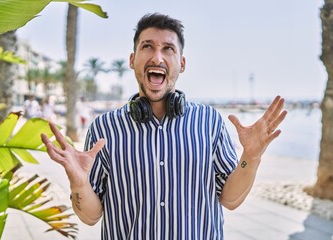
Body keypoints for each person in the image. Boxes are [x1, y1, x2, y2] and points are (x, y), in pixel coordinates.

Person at [41, 13, 287, 239]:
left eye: (167, 49)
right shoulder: (104, 129)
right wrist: (79, 183)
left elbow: (231, 200)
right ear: (132, 59)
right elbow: (91, 216)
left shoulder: (209, 122)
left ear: (181, 63)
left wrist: (251, 157)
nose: (157, 57)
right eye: (147, 46)